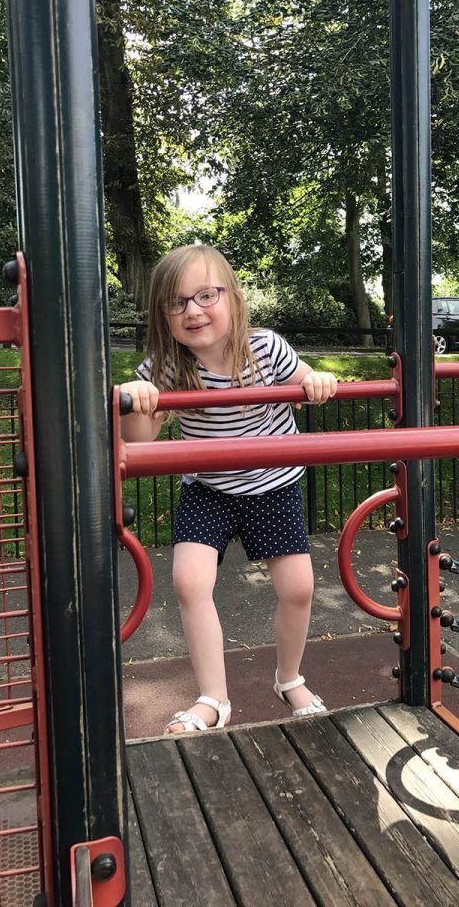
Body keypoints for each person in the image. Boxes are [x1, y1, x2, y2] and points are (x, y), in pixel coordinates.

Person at [120, 245, 338, 733]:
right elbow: (139, 441)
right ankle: (213, 698)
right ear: (163, 316)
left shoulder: (266, 349)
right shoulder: (167, 367)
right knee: (189, 581)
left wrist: (319, 380)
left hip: (273, 485)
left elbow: (308, 383)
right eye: (177, 303)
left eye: (206, 295)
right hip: (209, 489)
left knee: (299, 588)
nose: (193, 310)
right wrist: (137, 402)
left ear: (234, 299)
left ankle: (289, 678)